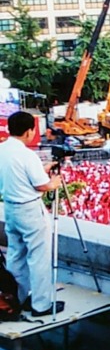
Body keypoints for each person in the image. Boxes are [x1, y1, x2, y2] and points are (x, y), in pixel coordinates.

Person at [0, 111, 64, 316]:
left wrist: (42, 169)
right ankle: (41, 304)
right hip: (29, 209)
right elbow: (41, 185)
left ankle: (14, 298)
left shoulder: (2, 150)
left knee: (15, 255)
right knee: (39, 257)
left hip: (10, 208)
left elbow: (16, 176)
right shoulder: (27, 155)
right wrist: (54, 183)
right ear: (29, 131)